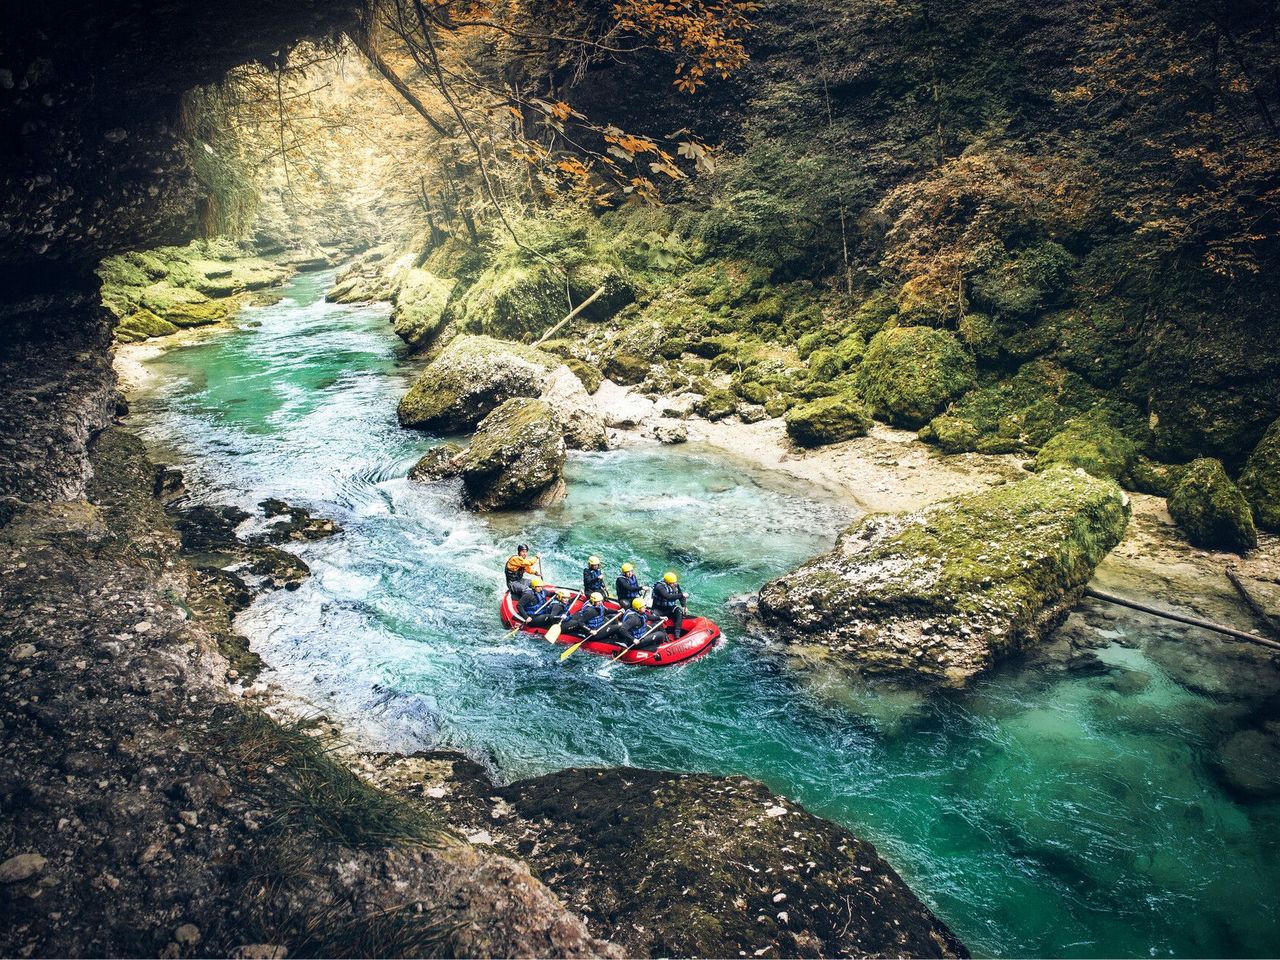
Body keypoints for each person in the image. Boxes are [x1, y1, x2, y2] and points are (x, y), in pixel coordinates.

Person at [600, 598, 667, 652]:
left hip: (641, 633)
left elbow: (648, 616)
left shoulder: (637, 612)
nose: (645, 607)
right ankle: (655, 648)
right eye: (643, 606)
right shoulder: (634, 619)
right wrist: (633, 639)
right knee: (660, 634)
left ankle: (666, 641)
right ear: (638, 608)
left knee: (658, 624)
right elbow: (622, 629)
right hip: (636, 641)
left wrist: (660, 617)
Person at [651, 570, 689, 640]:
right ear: (667, 582)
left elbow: (680, 596)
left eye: (675, 582)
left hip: (670, 608)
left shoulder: (675, 585)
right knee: (654, 616)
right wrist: (681, 595)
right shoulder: (659, 587)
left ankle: (677, 633)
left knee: (679, 611)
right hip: (658, 609)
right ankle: (665, 637)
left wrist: (683, 606)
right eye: (672, 583)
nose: (674, 584)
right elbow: (668, 596)